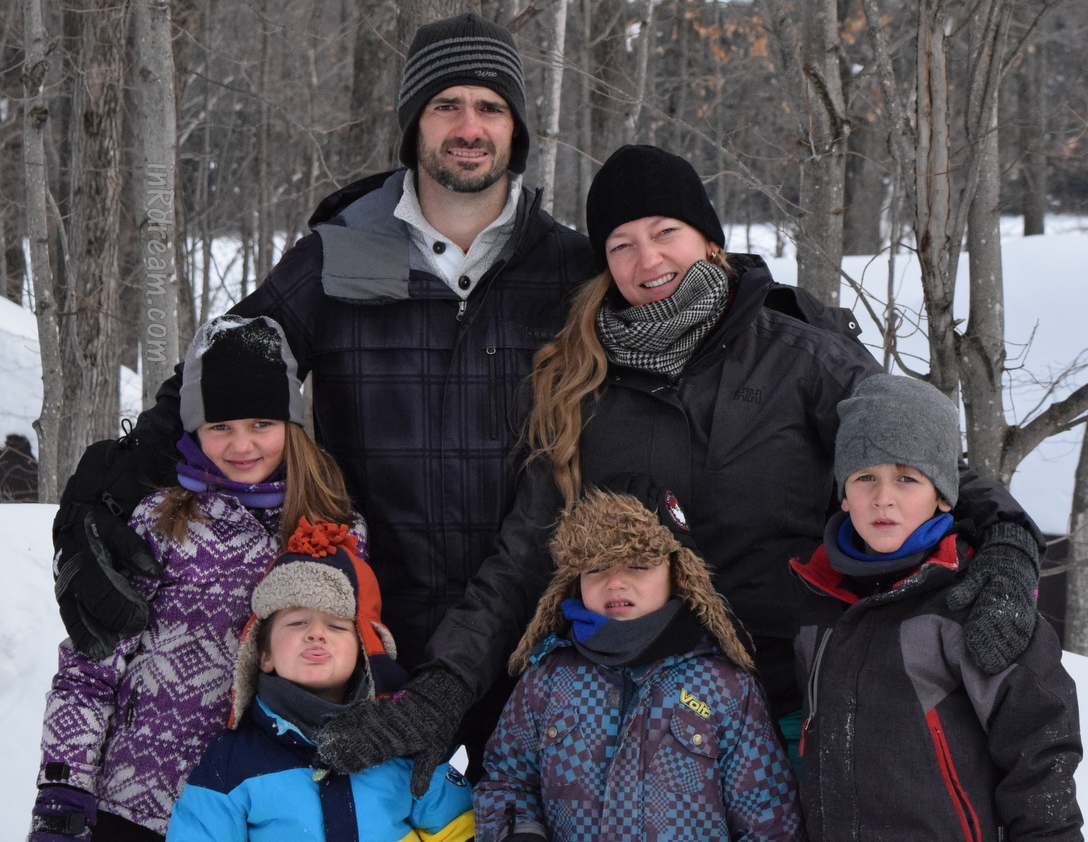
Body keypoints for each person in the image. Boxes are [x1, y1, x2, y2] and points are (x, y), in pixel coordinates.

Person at [317, 143, 1043, 788]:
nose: (648, 261)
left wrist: (1008, 541)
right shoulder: (580, 390)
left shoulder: (802, 360)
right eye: (622, 245)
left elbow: (917, 462)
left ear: (709, 240)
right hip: (650, 722)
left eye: (666, 232)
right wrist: (442, 692)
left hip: (800, 706)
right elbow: (521, 560)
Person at [51, 13, 596, 763]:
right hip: (364, 649)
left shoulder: (572, 272)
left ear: (516, 128)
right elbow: (224, 369)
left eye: (490, 107)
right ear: (413, 122)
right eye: (446, 105)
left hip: (530, 643)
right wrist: (107, 488)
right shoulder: (339, 257)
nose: (469, 127)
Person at [31, 316, 361, 842]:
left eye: (261, 423)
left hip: (266, 815)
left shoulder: (337, 531)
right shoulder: (161, 520)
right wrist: (63, 793)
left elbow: (361, 667)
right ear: (193, 429)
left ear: (292, 424)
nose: (241, 445)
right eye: (220, 426)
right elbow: (91, 666)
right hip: (141, 806)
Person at [789, 374, 1084, 842]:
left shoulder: (974, 601)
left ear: (943, 494)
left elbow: (1040, 749)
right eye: (865, 477)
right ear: (843, 494)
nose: (883, 497)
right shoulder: (817, 601)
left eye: (907, 478)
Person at [474, 491, 801, 842]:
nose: (615, 581)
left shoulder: (725, 686)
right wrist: (519, 834)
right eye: (596, 567)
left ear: (678, 572)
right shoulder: (546, 679)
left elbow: (768, 820)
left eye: (639, 564)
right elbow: (506, 780)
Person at [165, 518, 474, 842]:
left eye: (337, 626)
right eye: (297, 622)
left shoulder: (405, 741)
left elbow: (459, 830)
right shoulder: (230, 760)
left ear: (364, 651)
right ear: (264, 654)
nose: (316, 634)